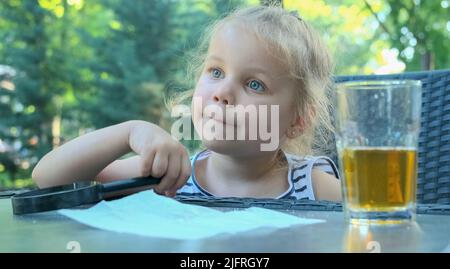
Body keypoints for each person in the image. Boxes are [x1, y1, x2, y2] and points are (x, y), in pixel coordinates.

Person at [32, 5, 341, 201]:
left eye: (254, 84)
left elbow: (384, 221)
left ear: (298, 120)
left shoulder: (312, 188)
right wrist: (130, 132)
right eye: (216, 72)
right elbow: (48, 178)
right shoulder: (174, 176)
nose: (222, 93)